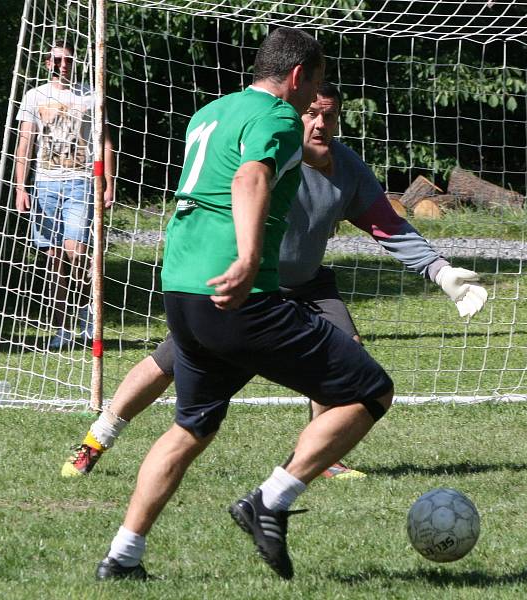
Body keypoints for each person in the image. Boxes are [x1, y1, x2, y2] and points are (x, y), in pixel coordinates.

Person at [62, 82, 488, 480]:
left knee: (346, 357)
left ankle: (324, 460)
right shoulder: (267, 151)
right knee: (167, 364)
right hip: (248, 286)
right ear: (294, 114)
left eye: (330, 116)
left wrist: (441, 270)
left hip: (308, 285)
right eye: (312, 114)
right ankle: (97, 439)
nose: (320, 123)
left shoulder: (348, 168)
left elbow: (387, 225)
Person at [94, 27, 396, 582]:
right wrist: (251, 258)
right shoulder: (280, 117)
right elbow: (250, 175)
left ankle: (122, 557)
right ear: (299, 76)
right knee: (370, 390)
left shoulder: (211, 112)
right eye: (318, 85)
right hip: (238, 295)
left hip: (182, 286)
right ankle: (271, 500)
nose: (316, 102)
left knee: (192, 426)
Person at [14, 39, 115, 350]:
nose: (63, 65)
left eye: (68, 59)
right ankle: (61, 328)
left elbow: (105, 141)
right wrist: (20, 187)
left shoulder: (91, 95)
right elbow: (25, 144)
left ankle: (86, 317)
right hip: (45, 184)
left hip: (81, 182)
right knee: (54, 259)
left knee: (78, 253)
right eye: (57, 60)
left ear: (74, 62)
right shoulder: (35, 96)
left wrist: (109, 182)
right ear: (47, 63)